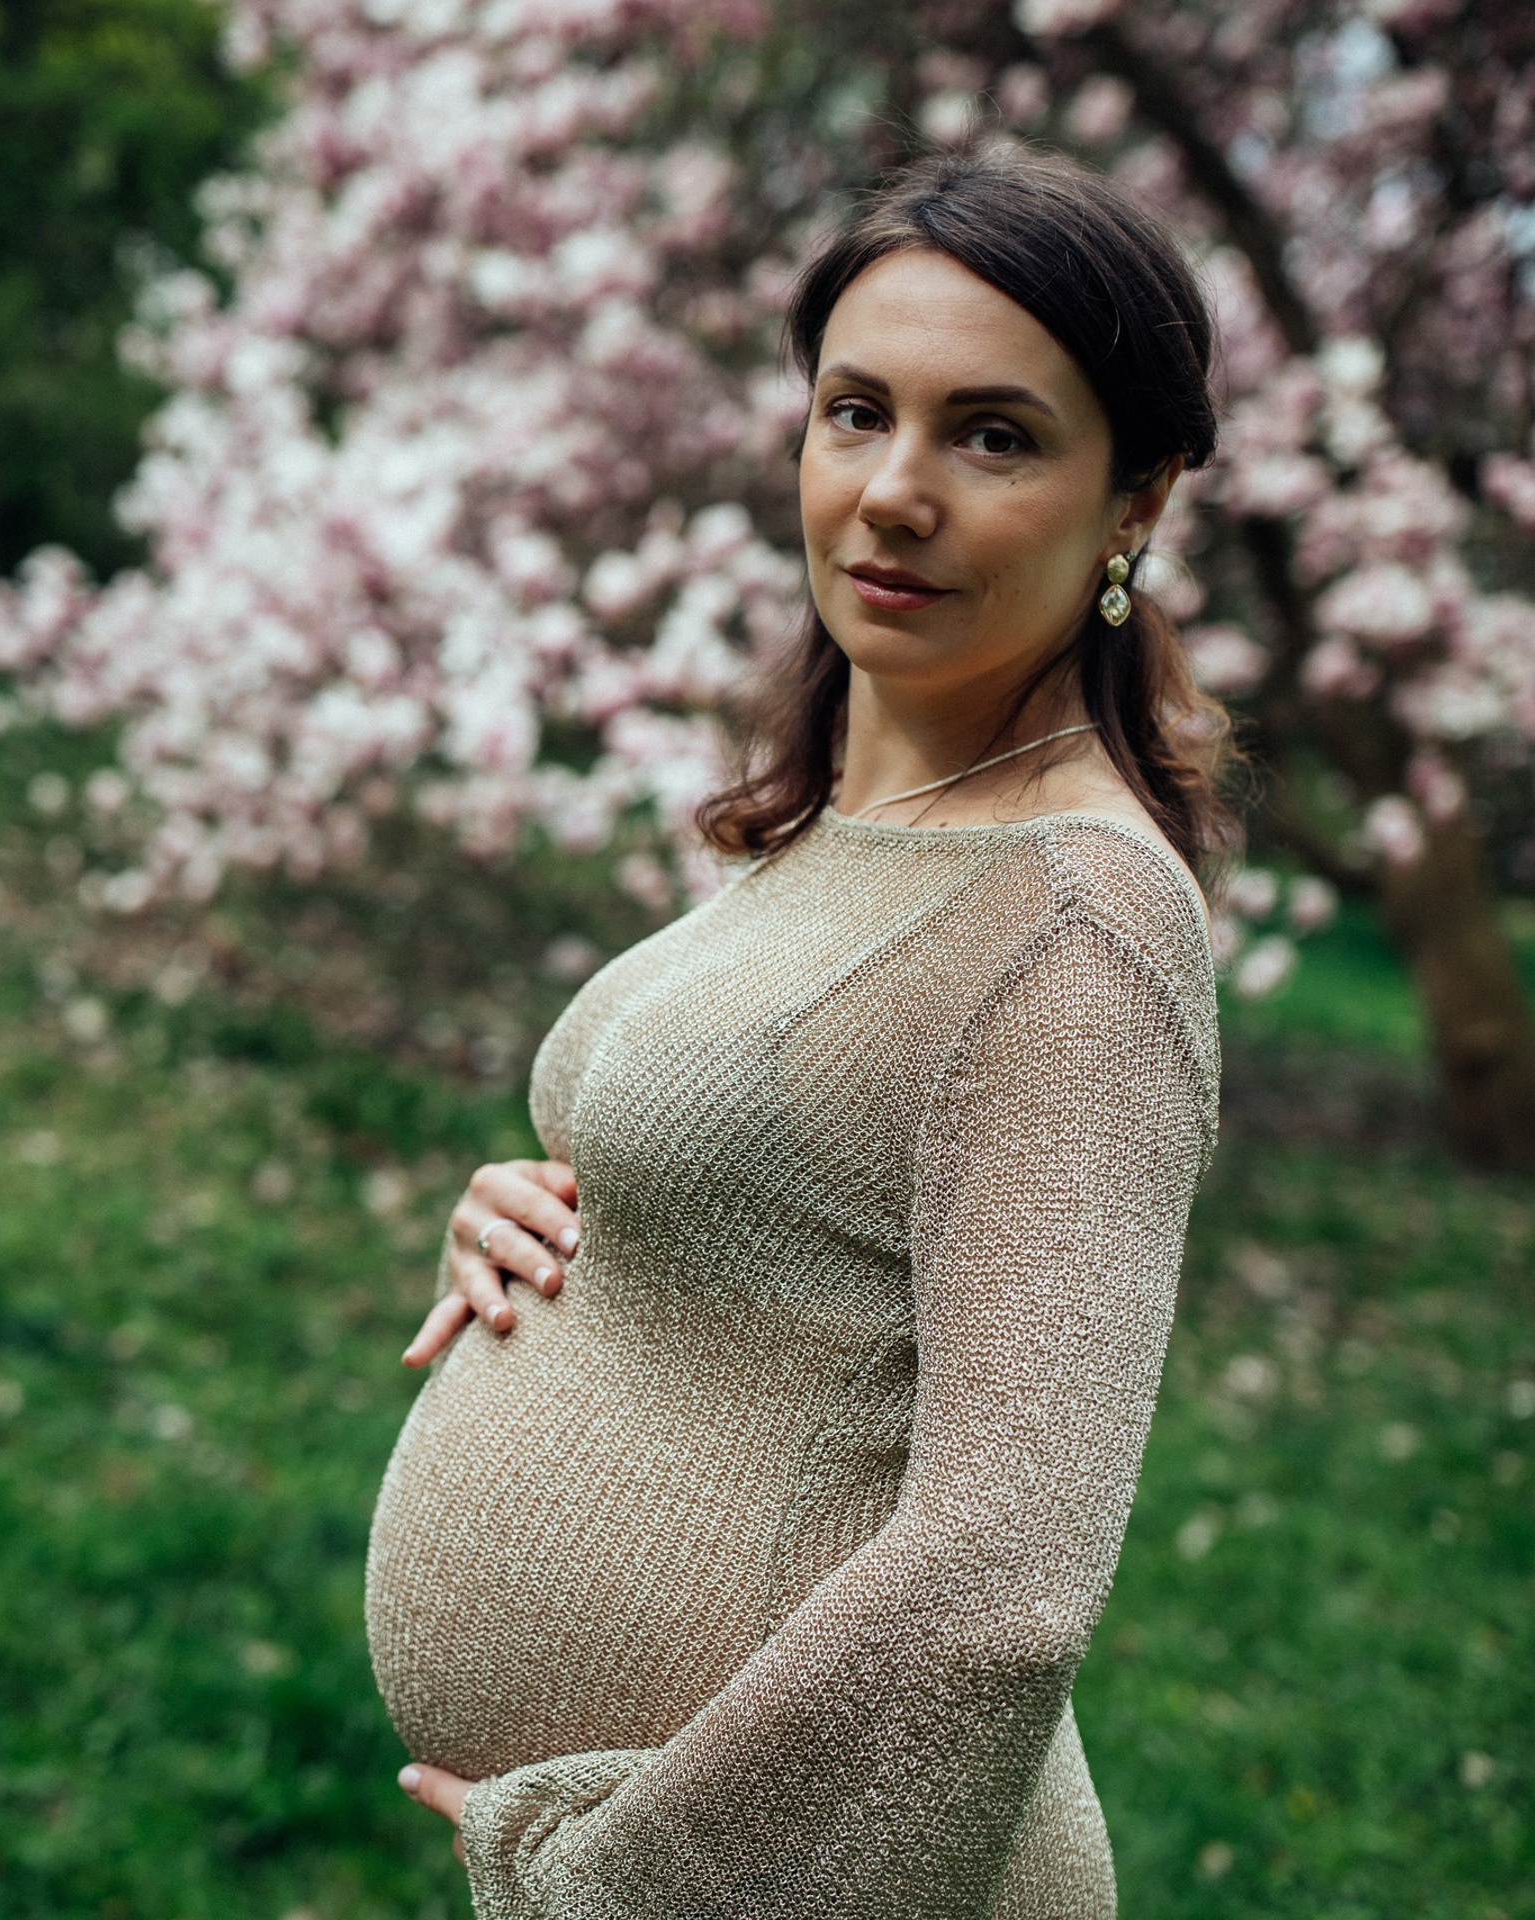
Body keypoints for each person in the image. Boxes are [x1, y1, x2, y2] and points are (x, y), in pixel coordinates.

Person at [365, 145, 1232, 1918]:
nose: (894, 491)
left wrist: (617, 1886)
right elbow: (786, 1186)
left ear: (1132, 502)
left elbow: (1003, 1582)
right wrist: (555, 1224)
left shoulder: (1078, 920)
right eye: (857, 413)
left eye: (993, 435)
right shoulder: (861, 823)